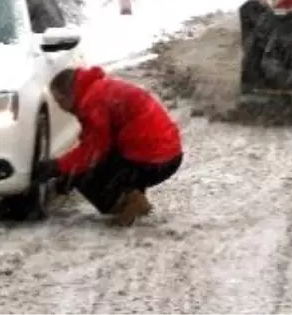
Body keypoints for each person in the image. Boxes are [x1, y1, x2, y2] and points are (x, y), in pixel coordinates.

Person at [35, 66, 183, 227]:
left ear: (67, 95)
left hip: (153, 159)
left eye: (59, 101)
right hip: (166, 154)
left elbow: (93, 151)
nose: (59, 107)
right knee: (92, 164)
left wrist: (59, 167)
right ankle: (132, 194)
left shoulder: (92, 102)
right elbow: (99, 141)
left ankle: (127, 202)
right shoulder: (99, 89)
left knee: (83, 174)